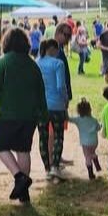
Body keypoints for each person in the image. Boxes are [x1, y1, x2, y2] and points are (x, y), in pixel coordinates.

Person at [0, 27, 48, 204]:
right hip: (29, 117)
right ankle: (24, 193)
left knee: (1, 146)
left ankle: (19, 177)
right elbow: (41, 92)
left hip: (7, 116)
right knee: (23, 150)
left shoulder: (2, 63)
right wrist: (43, 116)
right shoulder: (33, 65)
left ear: (6, 43)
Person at [36, 39, 71, 181]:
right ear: (53, 49)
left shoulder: (37, 62)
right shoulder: (58, 64)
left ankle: (47, 168)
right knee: (58, 136)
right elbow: (60, 86)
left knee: (42, 137)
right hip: (56, 105)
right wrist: (66, 99)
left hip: (41, 106)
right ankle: (55, 166)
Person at [69, 98, 102, 179]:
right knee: (92, 152)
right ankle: (97, 165)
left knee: (87, 157)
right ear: (90, 109)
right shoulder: (94, 120)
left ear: (78, 111)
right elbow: (98, 128)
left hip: (85, 143)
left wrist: (66, 109)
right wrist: (101, 124)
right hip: (94, 142)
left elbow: (69, 119)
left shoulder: (78, 120)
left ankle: (91, 174)